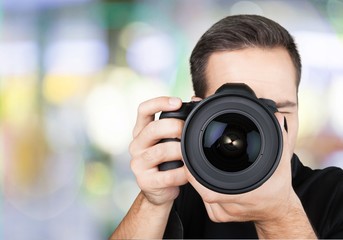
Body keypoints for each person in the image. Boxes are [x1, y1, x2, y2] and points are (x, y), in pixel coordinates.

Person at [110, 15, 343, 239]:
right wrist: (153, 201)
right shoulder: (177, 187)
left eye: (278, 110)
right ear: (196, 113)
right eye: (239, 110)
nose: (262, 127)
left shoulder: (335, 194)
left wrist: (280, 215)